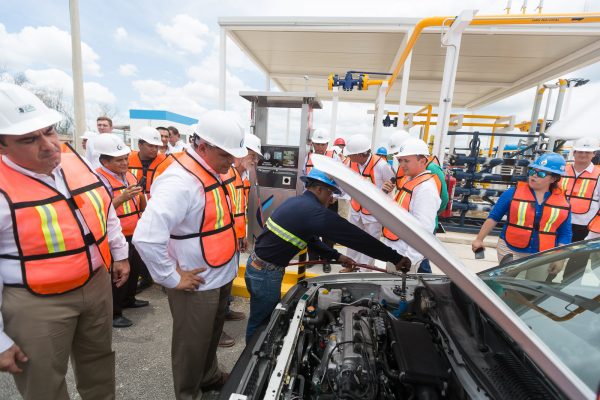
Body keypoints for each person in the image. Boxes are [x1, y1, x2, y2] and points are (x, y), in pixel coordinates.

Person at [0, 83, 130, 399]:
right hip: (37, 302)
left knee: (99, 365)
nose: (48, 145)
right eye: (29, 139)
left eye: (50, 131)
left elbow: (103, 206)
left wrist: (119, 252)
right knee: (43, 383)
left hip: (95, 285)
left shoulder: (75, 163)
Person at [133, 110, 247, 400]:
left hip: (219, 274)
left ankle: (208, 377)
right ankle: (188, 394)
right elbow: (146, 237)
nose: (231, 162)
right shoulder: (179, 181)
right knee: (191, 345)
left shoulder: (212, 169)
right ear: (203, 146)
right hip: (196, 283)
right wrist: (171, 278)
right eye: (225, 155)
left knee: (209, 339)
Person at [245, 168, 411, 341]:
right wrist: (395, 258)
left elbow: (310, 240)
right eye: (330, 193)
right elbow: (356, 237)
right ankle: (250, 362)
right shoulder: (314, 212)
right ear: (318, 190)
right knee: (262, 323)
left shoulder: (297, 203)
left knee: (262, 319)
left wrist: (338, 257)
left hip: (260, 268)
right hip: (265, 273)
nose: (331, 199)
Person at [472, 153, 572, 265]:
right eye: (532, 171)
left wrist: (560, 257)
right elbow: (494, 217)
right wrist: (479, 239)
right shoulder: (512, 193)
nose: (534, 176)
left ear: (553, 179)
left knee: (535, 282)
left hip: (543, 252)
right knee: (509, 281)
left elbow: (565, 233)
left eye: (541, 174)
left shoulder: (563, 202)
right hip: (510, 248)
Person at [95, 134, 150, 328]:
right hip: (116, 235)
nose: (125, 162)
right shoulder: (98, 179)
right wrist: (122, 198)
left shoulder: (130, 175)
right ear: (104, 161)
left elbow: (140, 199)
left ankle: (129, 300)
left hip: (135, 231)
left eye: (126, 158)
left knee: (134, 269)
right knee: (118, 275)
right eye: (119, 160)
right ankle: (114, 313)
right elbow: (99, 209)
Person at [218, 133, 262, 348]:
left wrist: (240, 235)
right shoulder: (227, 177)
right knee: (218, 287)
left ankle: (224, 312)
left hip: (233, 239)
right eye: (253, 157)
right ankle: (214, 332)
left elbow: (237, 212)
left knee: (227, 281)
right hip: (220, 243)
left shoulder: (240, 177)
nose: (255, 162)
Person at [385, 130, 448, 273]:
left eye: (406, 161)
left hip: (406, 254)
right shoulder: (411, 179)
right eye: (400, 161)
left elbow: (424, 229)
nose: (402, 165)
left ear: (422, 161)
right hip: (399, 247)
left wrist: (410, 260)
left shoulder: (425, 188)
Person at [343, 133, 394, 266]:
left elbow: (392, 185)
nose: (348, 157)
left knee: (371, 242)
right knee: (353, 238)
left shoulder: (381, 166)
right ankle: (351, 265)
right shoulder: (350, 163)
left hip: (373, 212)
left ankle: (364, 270)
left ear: (360, 154)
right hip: (355, 208)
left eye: (351, 154)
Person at [304, 128, 342, 272]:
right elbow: (304, 176)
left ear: (327, 144)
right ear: (312, 143)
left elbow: (341, 179)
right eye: (317, 144)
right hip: (312, 201)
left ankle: (327, 259)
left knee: (328, 232)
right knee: (310, 231)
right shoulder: (308, 157)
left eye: (322, 144)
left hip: (330, 200)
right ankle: (312, 257)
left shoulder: (335, 157)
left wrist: (335, 196)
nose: (319, 147)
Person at [558, 137, 600, 242]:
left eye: (587, 152)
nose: (583, 155)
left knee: (578, 255)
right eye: (580, 151)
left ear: (594, 154)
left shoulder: (598, 174)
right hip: (558, 218)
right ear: (574, 152)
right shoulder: (562, 170)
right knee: (554, 253)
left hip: (585, 222)